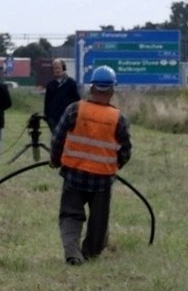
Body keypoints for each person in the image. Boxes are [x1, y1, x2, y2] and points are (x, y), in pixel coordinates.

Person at [49, 65, 132, 265]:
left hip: (73, 175)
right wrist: (115, 166)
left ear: (92, 88)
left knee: (70, 214)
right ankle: (90, 253)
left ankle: (72, 252)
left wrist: (55, 159)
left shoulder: (74, 109)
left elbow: (58, 139)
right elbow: (126, 150)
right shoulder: (118, 118)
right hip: (102, 180)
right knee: (99, 221)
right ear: (111, 91)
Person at [43, 59, 80, 133]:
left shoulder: (71, 83)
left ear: (63, 68)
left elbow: (77, 99)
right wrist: (47, 116)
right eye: (55, 68)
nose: (57, 70)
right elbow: (47, 102)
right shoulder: (50, 85)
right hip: (54, 118)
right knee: (56, 139)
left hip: (67, 117)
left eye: (59, 68)